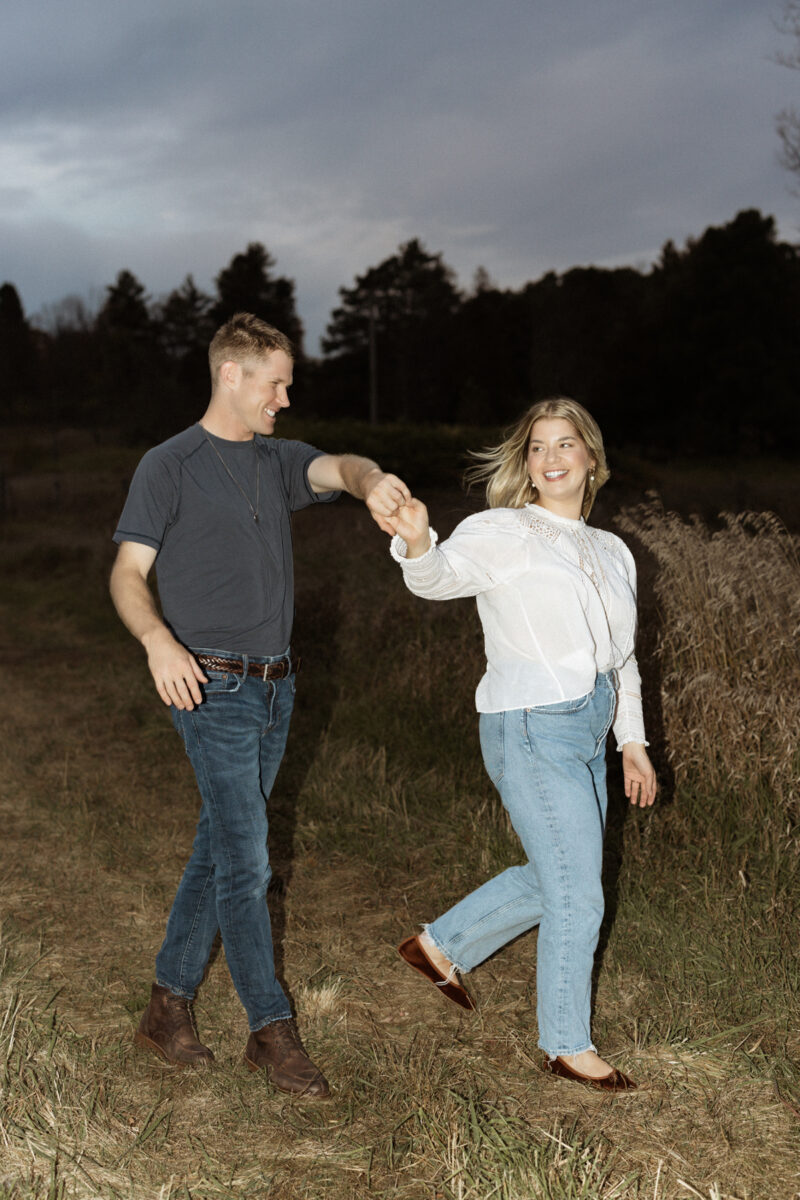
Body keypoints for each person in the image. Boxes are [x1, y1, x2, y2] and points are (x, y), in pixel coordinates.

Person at [110, 312, 409, 1098]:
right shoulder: (169, 465)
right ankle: (271, 1032)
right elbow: (127, 573)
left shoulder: (277, 461)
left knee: (221, 844)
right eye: (275, 383)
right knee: (248, 861)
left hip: (279, 686)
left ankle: (166, 1008)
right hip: (209, 686)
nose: (285, 397)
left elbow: (339, 467)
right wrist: (157, 640)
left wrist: (373, 481)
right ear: (231, 375)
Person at [387, 398, 656, 1092]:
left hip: (590, 727)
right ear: (526, 463)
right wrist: (417, 542)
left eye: (566, 444)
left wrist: (632, 742)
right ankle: (566, 1046)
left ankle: (440, 945)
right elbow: (438, 577)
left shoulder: (614, 551)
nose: (552, 457)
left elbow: (622, 657)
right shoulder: (503, 529)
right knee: (579, 894)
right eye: (538, 447)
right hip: (531, 724)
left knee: (561, 874)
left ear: (590, 458)